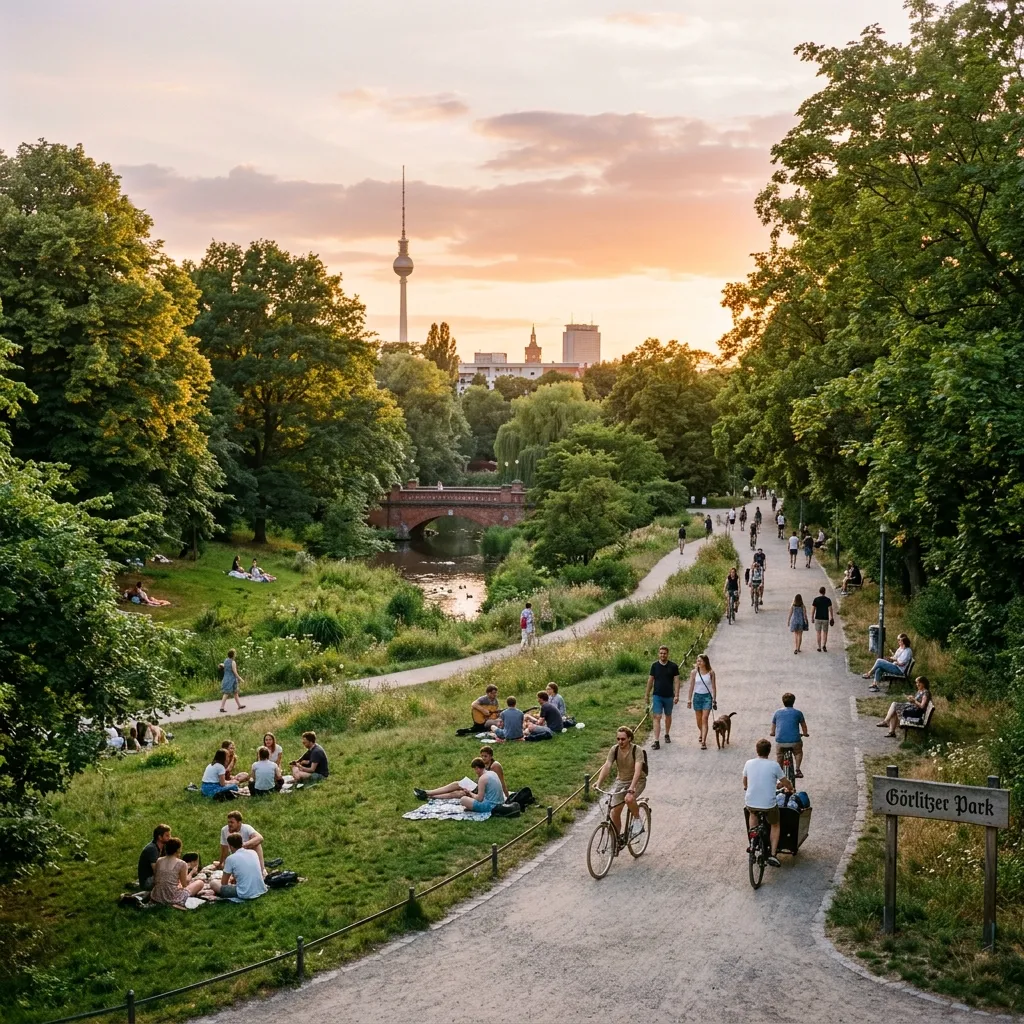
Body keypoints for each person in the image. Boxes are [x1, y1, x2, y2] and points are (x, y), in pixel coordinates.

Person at [743, 739, 793, 868]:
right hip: (768, 805)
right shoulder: (774, 766)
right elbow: (785, 782)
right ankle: (772, 854)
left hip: (751, 801)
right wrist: (790, 788)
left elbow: (745, 782)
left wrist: (746, 787)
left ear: (757, 750)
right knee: (775, 824)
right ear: (769, 751)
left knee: (752, 814)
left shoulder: (749, 763)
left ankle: (752, 843)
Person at [594, 726, 647, 844]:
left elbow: (638, 771)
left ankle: (637, 820)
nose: (620, 742)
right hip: (622, 781)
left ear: (629, 738)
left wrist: (632, 788)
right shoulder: (615, 749)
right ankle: (617, 840)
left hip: (637, 780)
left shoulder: (636, 750)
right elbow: (607, 765)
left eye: (623, 739)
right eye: (618, 739)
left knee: (629, 799)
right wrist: (599, 783)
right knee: (615, 811)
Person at [211, 832, 268, 900]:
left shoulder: (230, 859)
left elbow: (224, 883)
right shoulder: (253, 852)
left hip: (245, 893)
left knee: (213, 883)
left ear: (231, 846)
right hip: (260, 888)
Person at [150, 837, 204, 909]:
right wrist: (191, 873)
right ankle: (177, 903)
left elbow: (157, 879)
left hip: (157, 896)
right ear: (178, 850)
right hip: (172, 897)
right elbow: (185, 884)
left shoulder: (159, 860)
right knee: (200, 883)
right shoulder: (181, 863)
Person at [645, 645, 679, 750]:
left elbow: (677, 681)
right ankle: (656, 740)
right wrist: (647, 694)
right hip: (657, 695)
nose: (662, 655)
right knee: (657, 717)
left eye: (664, 653)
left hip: (669, 696)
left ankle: (667, 734)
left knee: (668, 716)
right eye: (661, 653)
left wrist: (676, 695)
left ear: (667, 654)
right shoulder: (654, 666)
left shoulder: (673, 666)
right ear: (658, 654)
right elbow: (650, 680)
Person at [771, 693, 809, 778]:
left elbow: (773, 725)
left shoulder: (777, 712)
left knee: (779, 754)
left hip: (780, 741)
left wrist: (773, 733)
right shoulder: (798, 713)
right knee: (798, 752)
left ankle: (779, 773)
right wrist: (805, 733)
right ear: (793, 702)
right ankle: (798, 770)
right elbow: (803, 726)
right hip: (794, 741)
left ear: (783, 701)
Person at [686, 654, 717, 750]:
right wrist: (689, 699)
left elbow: (713, 687)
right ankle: (701, 732)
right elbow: (691, 686)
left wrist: (714, 699)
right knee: (698, 720)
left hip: (707, 697)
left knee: (705, 718)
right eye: (697, 661)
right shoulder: (694, 672)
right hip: (697, 697)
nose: (698, 663)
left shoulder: (711, 673)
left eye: (700, 661)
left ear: (705, 662)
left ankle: (703, 741)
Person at [138, 824, 171, 890]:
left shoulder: (163, 847)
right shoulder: (152, 849)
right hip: (147, 881)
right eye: (167, 836)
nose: (169, 838)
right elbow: (157, 870)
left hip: (154, 877)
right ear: (160, 837)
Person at [811, 586, 834, 652]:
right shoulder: (828, 600)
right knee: (825, 633)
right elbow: (830, 609)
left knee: (818, 633)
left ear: (819, 591)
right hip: (825, 618)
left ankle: (819, 647)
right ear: (825, 592)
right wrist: (832, 617)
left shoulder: (816, 599)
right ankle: (824, 645)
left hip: (817, 618)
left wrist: (812, 617)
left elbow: (813, 610)